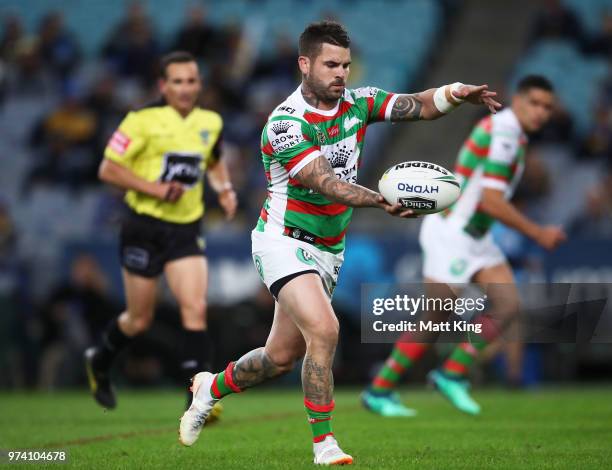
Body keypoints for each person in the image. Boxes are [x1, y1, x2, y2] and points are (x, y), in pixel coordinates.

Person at [178, 20, 500, 465]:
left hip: (329, 249)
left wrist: (453, 94)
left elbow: (419, 105)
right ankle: (324, 444)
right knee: (326, 330)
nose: (341, 73)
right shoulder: (285, 124)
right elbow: (324, 182)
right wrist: (382, 200)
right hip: (283, 240)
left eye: (346, 65)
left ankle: (209, 387)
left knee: (280, 357)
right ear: (304, 64)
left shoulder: (359, 103)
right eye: (331, 64)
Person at [361, 75, 567, 418]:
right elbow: (490, 201)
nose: (541, 112)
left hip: (475, 236)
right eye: (535, 103)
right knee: (435, 318)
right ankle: (383, 389)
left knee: (508, 305)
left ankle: (449, 373)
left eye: (547, 107)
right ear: (518, 100)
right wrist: (537, 233)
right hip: (453, 233)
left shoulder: (510, 133)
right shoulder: (503, 133)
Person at [84, 51, 237, 412]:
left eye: (191, 81)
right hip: (144, 227)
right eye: (178, 82)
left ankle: (196, 401)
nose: (185, 88)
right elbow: (108, 169)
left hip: (185, 227)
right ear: (163, 85)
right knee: (139, 320)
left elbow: (213, 160)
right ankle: (100, 361)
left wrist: (225, 189)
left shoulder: (210, 121)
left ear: (199, 84)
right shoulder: (141, 121)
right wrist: (154, 189)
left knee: (195, 309)